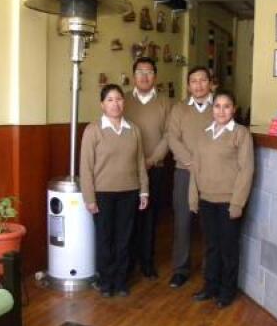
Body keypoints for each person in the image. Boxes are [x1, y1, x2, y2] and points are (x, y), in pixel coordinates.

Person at [80, 84, 149, 297]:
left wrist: (144, 191)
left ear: (123, 102)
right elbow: (85, 167)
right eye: (110, 100)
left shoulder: (134, 130)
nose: (115, 104)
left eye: (118, 99)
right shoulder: (93, 130)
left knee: (124, 239)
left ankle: (120, 281)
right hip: (102, 194)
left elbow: (140, 163)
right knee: (105, 239)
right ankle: (106, 281)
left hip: (129, 192)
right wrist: (89, 198)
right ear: (102, 105)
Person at [189, 90, 254, 308]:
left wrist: (237, 203)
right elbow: (195, 168)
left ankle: (227, 291)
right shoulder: (204, 134)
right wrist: (193, 196)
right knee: (211, 247)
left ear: (233, 109)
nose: (221, 111)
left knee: (228, 249)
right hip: (206, 199)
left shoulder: (241, 134)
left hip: (229, 202)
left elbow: (246, 170)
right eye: (217, 106)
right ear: (212, 109)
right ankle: (210, 286)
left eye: (227, 106)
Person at [124, 57, 171, 279]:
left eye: (149, 72)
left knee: (150, 216)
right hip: (126, 169)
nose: (144, 76)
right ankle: (128, 262)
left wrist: (152, 160)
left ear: (155, 76)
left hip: (155, 167)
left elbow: (169, 135)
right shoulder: (123, 100)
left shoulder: (165, 103)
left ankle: (147, 261)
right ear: (133, 76)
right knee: (128, 216)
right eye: (140, 72)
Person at [167, 66, 214, 288]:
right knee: (182, 221)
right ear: (188, 86)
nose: (198, 85)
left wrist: (205, 164)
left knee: (209, 221)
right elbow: (172, 138)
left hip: (212, 173)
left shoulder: (219, 107)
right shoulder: (179, 109)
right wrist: (191, 162)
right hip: (184, 171)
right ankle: (180, 269)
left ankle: (210, 269)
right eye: (193, 81)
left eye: (203, 80)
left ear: (210, 83)